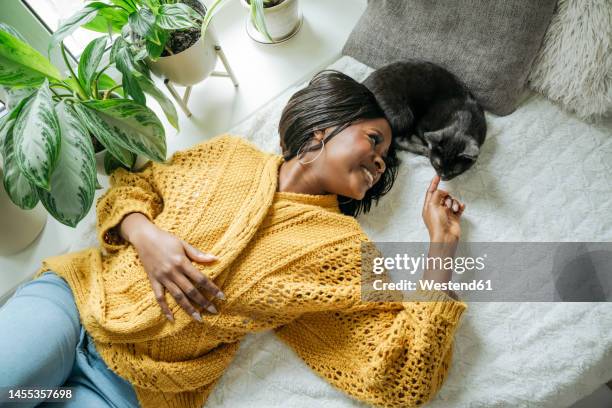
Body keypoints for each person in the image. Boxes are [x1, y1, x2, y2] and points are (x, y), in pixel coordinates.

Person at [0, 70, 467, 408]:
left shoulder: (340, 248)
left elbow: (402, 374)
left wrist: (440, 249)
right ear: (326, 127)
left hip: (133, 389)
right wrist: (146, 237)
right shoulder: (229, 154)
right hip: (74, 305)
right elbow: (132, 186)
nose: (381, 161)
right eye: (374, 141)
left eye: (385, 160)